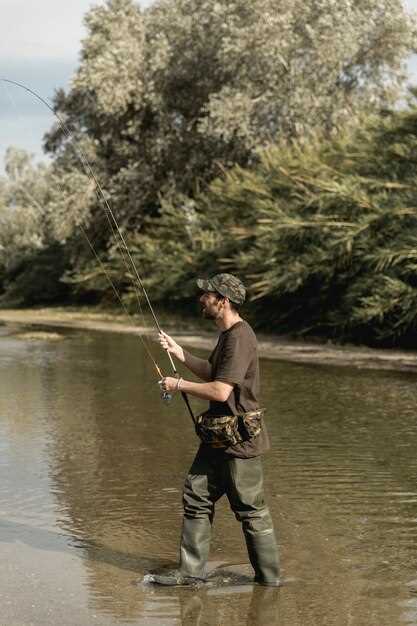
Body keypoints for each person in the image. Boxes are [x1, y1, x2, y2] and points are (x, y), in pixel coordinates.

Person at [151, 273, 280, 586]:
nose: (201, 299)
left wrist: (177, 384)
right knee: (196, 496)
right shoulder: (228, 335)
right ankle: (190, 573)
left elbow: (221, 391)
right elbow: (214, 371)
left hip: (240, 442)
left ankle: (270, 581)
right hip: (217, 438)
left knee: (251, 511)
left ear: (223, 302)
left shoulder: (239, 337)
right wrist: (178, 351)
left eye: (207, 295)